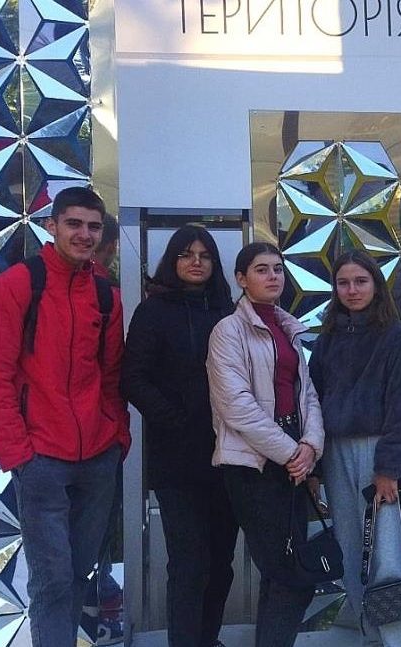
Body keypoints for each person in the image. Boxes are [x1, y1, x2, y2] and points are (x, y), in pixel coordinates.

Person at [0, 186, 129, 647]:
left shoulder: (106, 295)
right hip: (41, 458)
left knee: (78, 572)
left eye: (93, 227)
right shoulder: (16, 286)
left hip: (98, 456)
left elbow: (112, 377)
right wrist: (20, 455)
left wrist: (117, 437)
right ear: (52, 226)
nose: (84, 234)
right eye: (74, 223)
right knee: (53, 580)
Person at [122, 226, 238, 647]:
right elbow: (132, 378)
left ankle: (208, 639)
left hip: (229, 459)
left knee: (221, 562)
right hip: (177, 461)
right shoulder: (153, 311)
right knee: (189, 564)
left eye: (205, 255)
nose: (196, 262)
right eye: (187, 254)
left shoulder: (228, 311)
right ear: (172, 260)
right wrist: (174, 419)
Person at [206, 242, 324, 647]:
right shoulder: (228, 331)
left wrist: (310, 445)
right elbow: (236, 406)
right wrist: (292, 452)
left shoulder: (288, 327)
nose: (273, 276)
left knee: (287, 570)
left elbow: (308, 394)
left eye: (277, 269)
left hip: (294, 456)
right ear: (241, 279)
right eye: (261, 269)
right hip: (253, 465)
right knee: (287, 573)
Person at [309, 250, 401, 646]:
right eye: (343, 283)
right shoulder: (327, 340)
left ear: (376, 284)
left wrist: (389, 469)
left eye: (360, 281)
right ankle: (371, 637)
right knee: (350, 549)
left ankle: (399, 642)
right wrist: (315, 468)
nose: (352, 290)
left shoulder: (397, 338)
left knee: (388, 555)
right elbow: (314, 403)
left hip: (381, 453)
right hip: (336, 453)